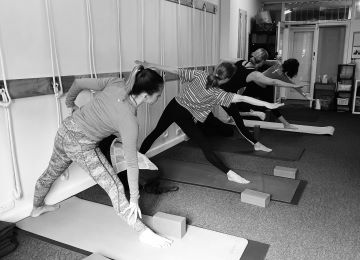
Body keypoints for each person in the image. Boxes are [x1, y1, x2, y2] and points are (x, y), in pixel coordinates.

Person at [30, 65, 172, 248]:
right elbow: (131, 163)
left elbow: (79, 82)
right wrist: (135, 198)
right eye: (158, 95)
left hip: (65, 130)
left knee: (50, 172)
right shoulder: (129, 121)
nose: (158, 98)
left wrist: (70, 104)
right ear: (146, 95)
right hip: (81, 145)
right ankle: (142, 232)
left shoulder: (117, 83)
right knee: (114, 186)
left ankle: (36, 207)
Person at [136, 60, 284, 185]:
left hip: (174, 106)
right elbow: (244, 99)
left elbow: (175, 70)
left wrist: (151, 64)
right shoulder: (219, 94)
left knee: (155, 132)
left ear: (216, 70)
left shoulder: (201, 75)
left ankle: (135, 160)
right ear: (228, 79)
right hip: (184, 115)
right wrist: (268, 105)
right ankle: (229, 173)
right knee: (205, 146)